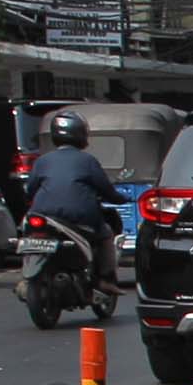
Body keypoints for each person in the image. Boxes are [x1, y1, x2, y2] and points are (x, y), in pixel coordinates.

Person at [26, 110, 123, 296]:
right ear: (81, 134)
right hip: (78, 218)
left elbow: (30, 189)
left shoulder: (42, 161)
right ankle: (105, 279)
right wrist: (121, 198)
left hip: (42, 215)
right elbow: (105, 189)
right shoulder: (87, 161)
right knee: (106, 234)